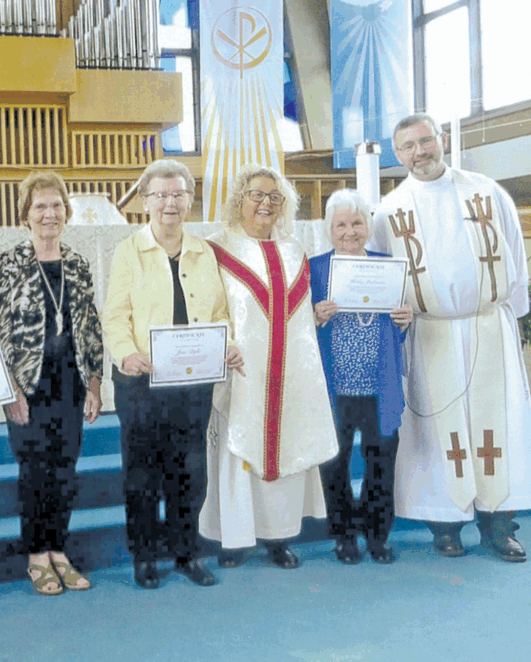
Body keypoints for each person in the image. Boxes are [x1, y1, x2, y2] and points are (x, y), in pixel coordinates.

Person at [370, 114, 531, 561]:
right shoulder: (389, 211)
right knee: (437, 433)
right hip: (429, 332)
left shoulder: (486, 191)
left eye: (425, 141)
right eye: (407, 147)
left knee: (497, 427)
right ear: (397, 155)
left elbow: (515, 256)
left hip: (488, 326)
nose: (419, 152)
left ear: (440, 139)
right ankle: (444, 526)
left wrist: (509, 322)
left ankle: (499, 525)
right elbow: (383, 276)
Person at [103, 160, 244, 589]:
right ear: (145, 202)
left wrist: (229, 346)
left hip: (192, 381)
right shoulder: (129, 250)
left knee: (191, 470)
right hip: (141, 382)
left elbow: (220, 312)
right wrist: (126, 354)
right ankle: (144, 557)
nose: (170, 202)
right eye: (161, 195)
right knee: (142, 473)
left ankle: (186, 553)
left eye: (178, 194)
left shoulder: (205, 251)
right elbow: (115, 315)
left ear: (189, 199)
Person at [200, 164, 338, 569]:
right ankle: (234, 538)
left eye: (273, 197)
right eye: (255, 195)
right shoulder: (217, 247)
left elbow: (292, 313)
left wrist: (315, 314)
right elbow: (210, 306)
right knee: (238, 447)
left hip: (289, 370)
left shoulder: (295, 249)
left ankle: (279, 538)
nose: (265, 203)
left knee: (288, 444)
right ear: (239, 200)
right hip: (243, 370)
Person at [0, 171, 103, 595]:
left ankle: (59, 551)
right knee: (34, 471)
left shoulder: (76, 263)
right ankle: (37, 556)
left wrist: (94, 381)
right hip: (28, 387)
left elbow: (90, 327)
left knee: (65, 470)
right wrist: (11, 391)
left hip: (69, 382)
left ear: (66, 212)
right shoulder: (12, 262)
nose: (49, 213)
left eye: (56, 205)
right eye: (40, 206)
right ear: (26, 214)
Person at [311, 189, 412, 564]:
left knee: (380, 463)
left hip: (378, 385)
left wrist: (405, 321)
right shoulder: (315, 268)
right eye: (341, 224)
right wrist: (316, 316)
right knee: (333, 466)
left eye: (357, 223)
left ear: (368, 226)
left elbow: (396, 328)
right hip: (334, 389)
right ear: (329, 229)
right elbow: (300, 330)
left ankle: (377, 535)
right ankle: (343, 536)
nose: (350, 232)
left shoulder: (388, 265)